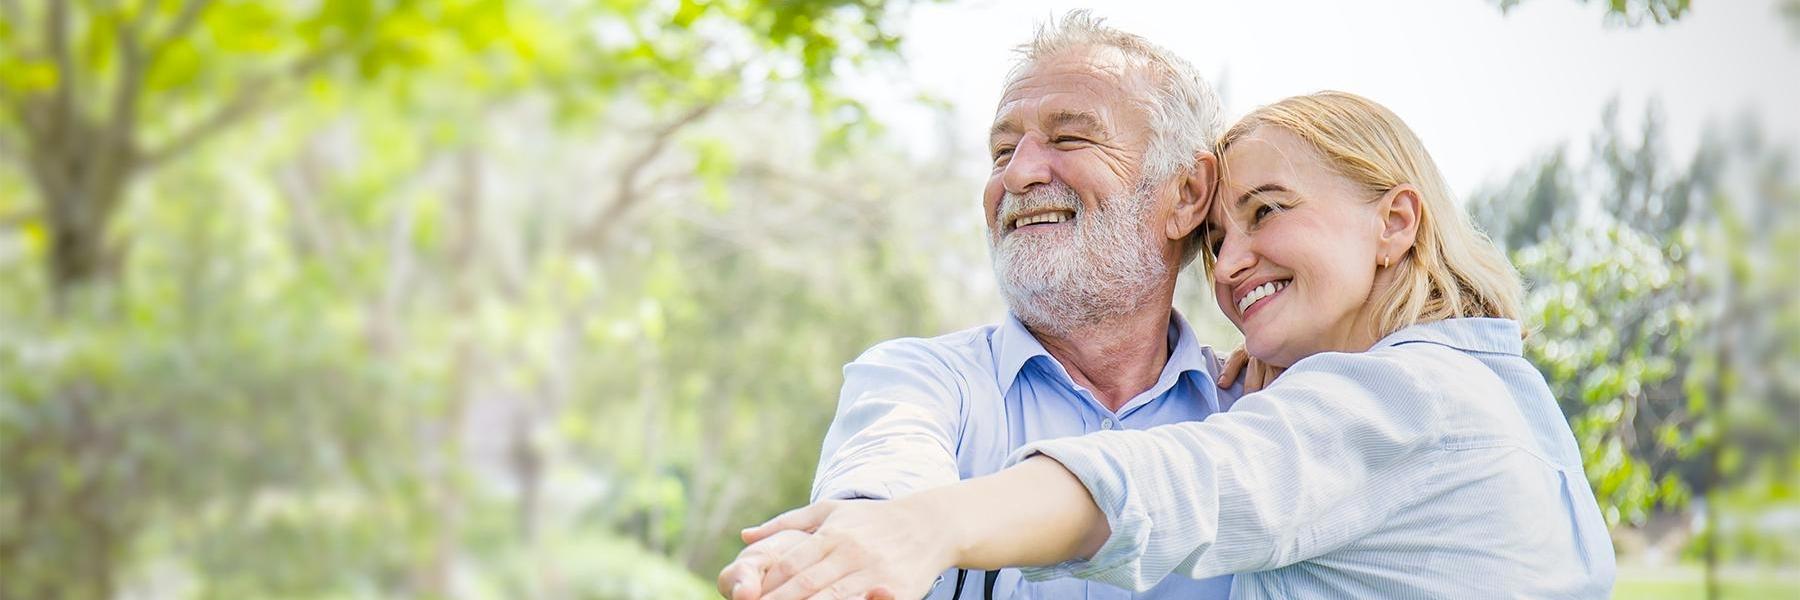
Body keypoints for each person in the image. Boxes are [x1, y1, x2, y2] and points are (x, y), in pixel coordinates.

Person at [727, 92, 1618, 599]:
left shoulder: (1410, 401)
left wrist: (925, 527)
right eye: (1218, 239)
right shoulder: (1490, 394)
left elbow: (1186, 481)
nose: (1234, 263)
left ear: (1394, 221)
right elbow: (888, 455)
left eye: (1268, 211)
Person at [716, 10, 1275, 600]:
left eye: (1069, 137)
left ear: (1186, 194)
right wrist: (847, 543)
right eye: (1002, 151)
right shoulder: (920, 380)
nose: (1018, 174)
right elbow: (884, 472)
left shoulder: (1260, 411)